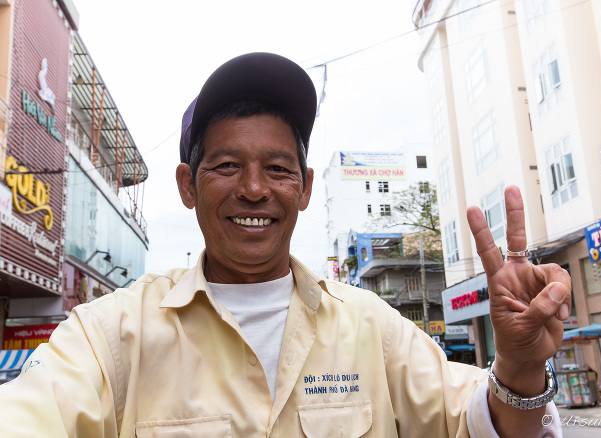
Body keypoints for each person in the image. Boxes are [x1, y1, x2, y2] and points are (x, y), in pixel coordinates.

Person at [0, 52, 571, 437]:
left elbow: (477, 424)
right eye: (225, 166)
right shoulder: (107, 339)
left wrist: (520, 366)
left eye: (277, 168)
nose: (254, 190)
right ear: (186, 186)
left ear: (304, 189)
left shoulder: (372, 326)